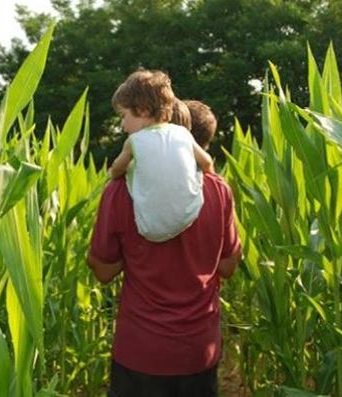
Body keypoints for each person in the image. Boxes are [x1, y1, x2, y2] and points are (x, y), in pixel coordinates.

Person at [89, 89, 241, 395]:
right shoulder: (219, 190)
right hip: (199, 349)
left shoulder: (120, 191)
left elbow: (103, 272)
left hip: (141, 350)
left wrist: (131, 253)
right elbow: (227, 266)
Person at [108, 70, 214, 242]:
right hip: (190, 215)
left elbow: (116, 170)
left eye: (123, 116)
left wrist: (116, 171)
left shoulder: (134, 141)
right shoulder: (183, 133)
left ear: (142, 110)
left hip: (149, 229)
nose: (122, 125)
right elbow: (207, 162)